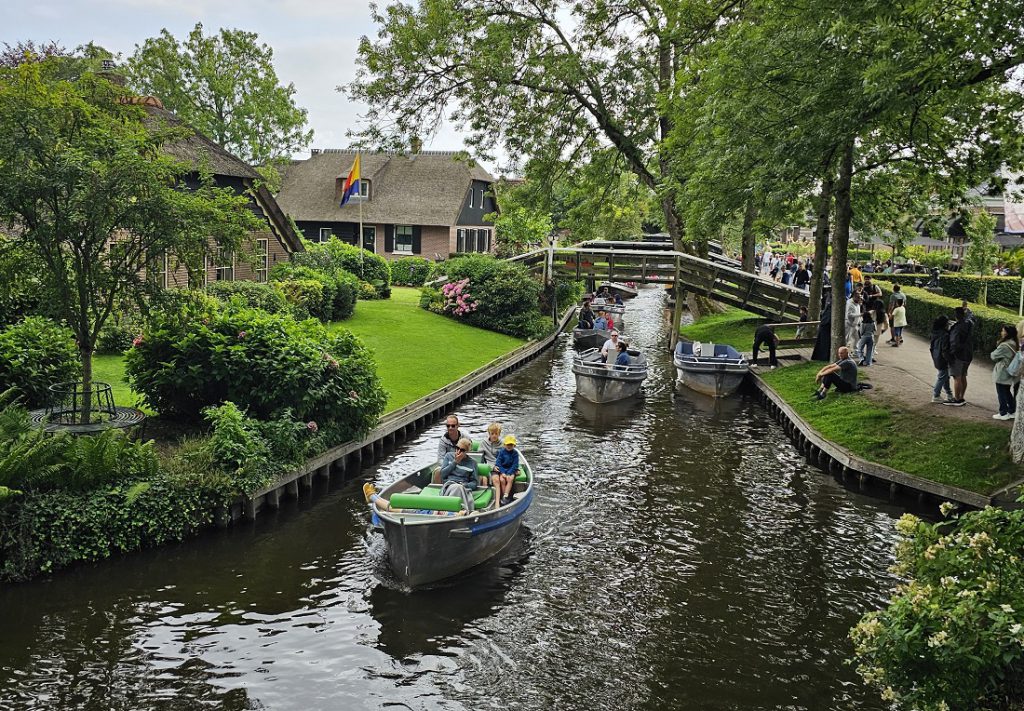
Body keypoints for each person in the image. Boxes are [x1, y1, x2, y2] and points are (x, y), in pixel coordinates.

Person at [438, 437, 480, 511]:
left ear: (467, 451)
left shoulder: (472, 463)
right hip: (449, 485)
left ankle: (451, 511)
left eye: (462, 450)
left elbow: (474, 482)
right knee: (457, 487)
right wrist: (455, 462)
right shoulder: (448, 456)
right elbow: (442, 474)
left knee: (459, 487)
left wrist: (465, 485)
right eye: (457, 448)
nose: (458, 451)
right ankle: (463, 510)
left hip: (464, 487)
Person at [945, 306, 974, 407]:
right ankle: (961, 397)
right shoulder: (969, 323)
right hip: (968, 354)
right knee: (963, 376)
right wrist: (968, 310)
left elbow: (954, 343)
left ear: (955, 316)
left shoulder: (957, 328)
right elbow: (971, 316)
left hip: (958, 355)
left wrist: (950, 354)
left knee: (957, 377)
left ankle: (957, 399)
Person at [990, 325, 1019, 420]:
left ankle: (1003, 413)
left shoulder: (1004, 345)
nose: (1001, 332)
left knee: (1001, 392)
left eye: (1003, 331)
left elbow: (993, 356)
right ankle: (1012, 410)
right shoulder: (1015, 343)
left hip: (1002, 371)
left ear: (1007, 333)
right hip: (1010, 370)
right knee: (1007, 392)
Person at [930, 315, 954, 403]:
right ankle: (936, 395)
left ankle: (949, 394)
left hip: (936, 356)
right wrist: (950, 360)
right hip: (942, 358)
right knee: (942, 376)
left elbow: (932, 347)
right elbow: (945, 350)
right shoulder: (945, 335)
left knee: (945, 376)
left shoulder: (935, 332)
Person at [493, 434, 521, 506]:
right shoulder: (501, 452)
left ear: (514, 445)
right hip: (503, 470)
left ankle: (506, 495)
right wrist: (503, 473)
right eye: (508, 444)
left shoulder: (515, 453)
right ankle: (504, 497)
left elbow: (515, 465)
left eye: (511, 444)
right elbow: (498, 463)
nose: (509, 446)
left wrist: (509, 473)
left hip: (511, 470)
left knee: (510, 479)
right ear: (504, 445)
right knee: (502, 480)